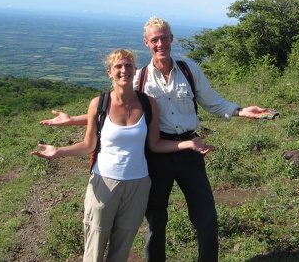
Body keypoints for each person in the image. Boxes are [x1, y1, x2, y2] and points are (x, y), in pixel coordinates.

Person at [40, 17, 271, 262]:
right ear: (146, 43)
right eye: (154, 40)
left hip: (191, 149)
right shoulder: (139, 78)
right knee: (156, 220)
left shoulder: (189, 70)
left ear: (171, 38)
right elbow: (118, 112)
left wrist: (240, 110)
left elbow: (213, 102)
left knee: (206, 218)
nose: (160, 43)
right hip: (157, 152)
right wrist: (72, 120)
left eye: (163, 38)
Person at [33, 48, 214, 262]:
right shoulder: (98, 104)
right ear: (109, 72)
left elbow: (155, 145)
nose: (123, 70)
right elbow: (88, 145)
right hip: (104, 183)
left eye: (128, 65)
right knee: (95, 245)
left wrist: (187, 144)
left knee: (122, 247)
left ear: (135, 70)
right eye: (118, 66)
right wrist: (59, 151)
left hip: (138, 185)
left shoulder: (148, 104)